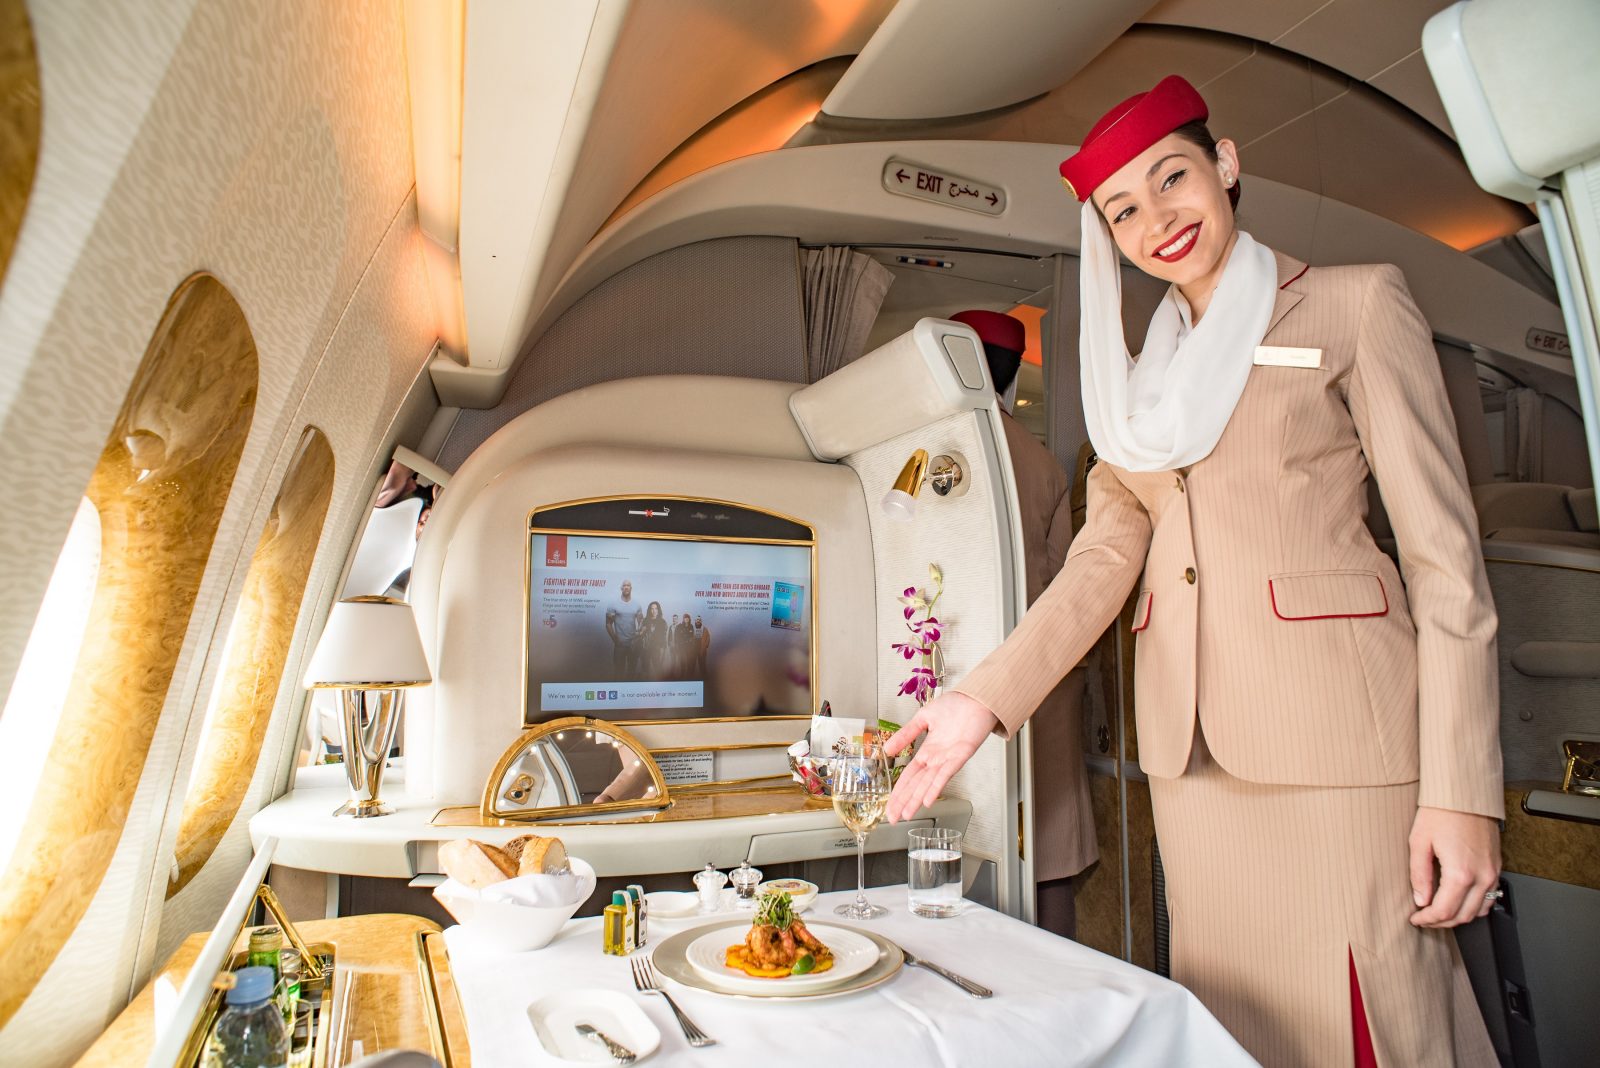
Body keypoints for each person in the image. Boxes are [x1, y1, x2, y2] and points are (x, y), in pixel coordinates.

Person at [886, 76, 1502, 1067]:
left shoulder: (1353, 304)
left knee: (1375, 1017)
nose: (1155, 219)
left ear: (1224, 166)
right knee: (1232, 1024)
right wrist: (981, 703)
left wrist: (1461, 791)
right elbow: (1100, 562)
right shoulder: (1134, 387)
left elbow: (1446, 563)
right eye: (1122, 209)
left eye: (1171, 178)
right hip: (1194, 765)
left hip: (1341, 749)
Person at [949, 308, 1097, 938]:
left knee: (962, 841)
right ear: (1011, 380)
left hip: (960, 671)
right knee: (1045, 844)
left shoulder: (935, 452)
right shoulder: (1041, 462)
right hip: (1043, 677)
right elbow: (1067, 578)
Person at [605, 579, 644, 679]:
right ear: (621, 588)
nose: (626, 587)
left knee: (631, 672)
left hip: (633, 645)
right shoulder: (613, 604)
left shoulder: (637, 605)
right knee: (618, 673)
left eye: (628, 585)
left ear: (631, 588)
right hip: (620, 645)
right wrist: (615, 639)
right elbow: (608, 624)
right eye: (624, 585)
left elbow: (641, 622)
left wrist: (638, 636)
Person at [640, 601, 669, 678]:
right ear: (649, 610)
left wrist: (663, 652)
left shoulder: (662, 622)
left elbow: (664, 638)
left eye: (656, 608)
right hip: (645, 649)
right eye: (652, 609)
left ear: (658, 610)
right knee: (645, 671)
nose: (654, 611)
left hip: (656, 649)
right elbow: (640, 636)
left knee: (658, 670)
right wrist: (642, 632)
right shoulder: (645, 620)